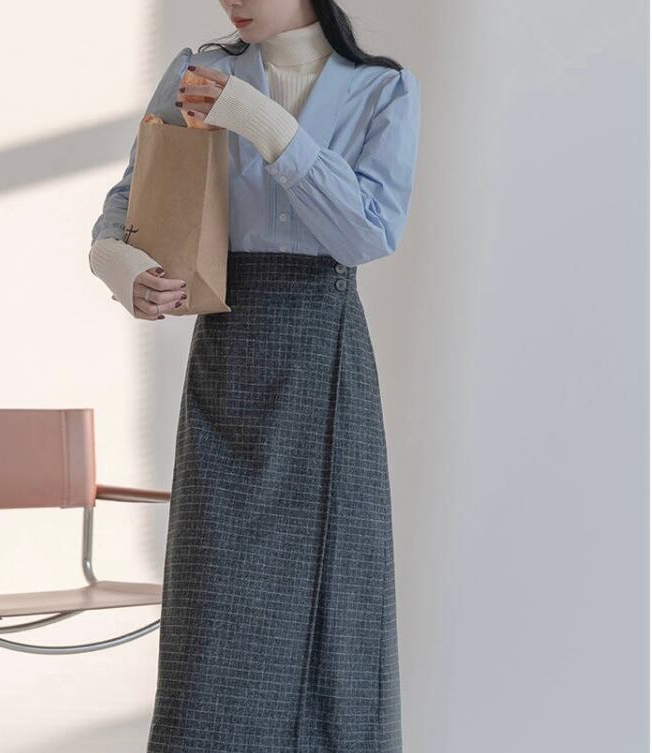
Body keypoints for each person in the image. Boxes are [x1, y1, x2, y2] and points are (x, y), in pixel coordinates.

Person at [90, 1, 421, 750]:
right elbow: (130, 199)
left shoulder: (383, 90)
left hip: (324, 356)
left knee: (334, 598)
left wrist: (264, 122)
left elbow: (366, 235)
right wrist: (120, 264)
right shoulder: (197, 73)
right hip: (228, 352)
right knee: (214, 598)